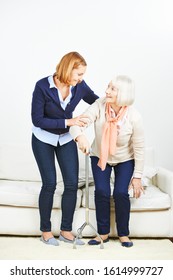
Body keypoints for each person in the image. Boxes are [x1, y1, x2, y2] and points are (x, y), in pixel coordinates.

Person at [31, 51, 98, 246]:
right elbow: (37, 120)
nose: (81, 79)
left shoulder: (79, 87)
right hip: (43, 138)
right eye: (79, 74)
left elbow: (95, 101)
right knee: (50, 184)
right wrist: (70, 121)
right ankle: (45, 231)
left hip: (66, 138)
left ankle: (66, 231)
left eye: (83, 75)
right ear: (68, 69)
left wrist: (114, 103)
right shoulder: (42, 86)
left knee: (71, 184)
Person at [70, 75, 145, 247]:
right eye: (108, 87)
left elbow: (139, 148)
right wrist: (79, 136)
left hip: (125, 159)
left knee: (120, 193)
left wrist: (138, 176)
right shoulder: (99, 105)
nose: (106, 91)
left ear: (123, 93)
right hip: (100, 155)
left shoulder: (134, 117)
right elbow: (78, 123)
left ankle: (123, 234)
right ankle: (102, 233)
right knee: (102, 191)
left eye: (112, 89)